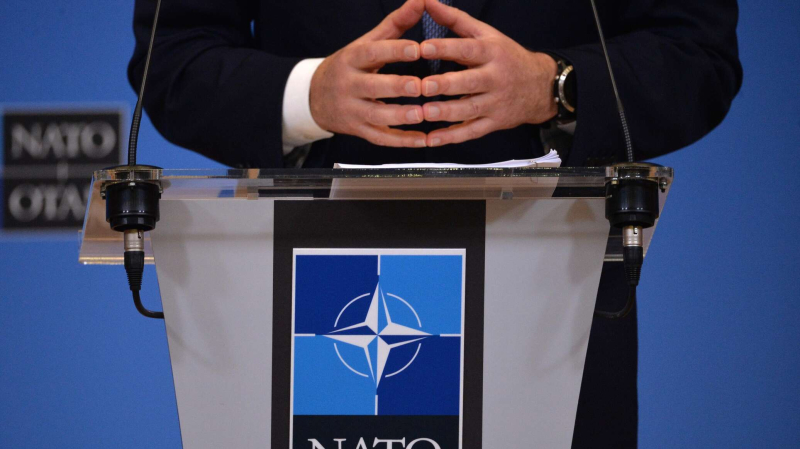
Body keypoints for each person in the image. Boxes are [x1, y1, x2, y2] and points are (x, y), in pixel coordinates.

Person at [129, 0, 742, 446]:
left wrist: (556, 85)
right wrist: (309, 96)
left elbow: (696, 52)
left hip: (553, 306)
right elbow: (174, 54)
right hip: (314, 288)